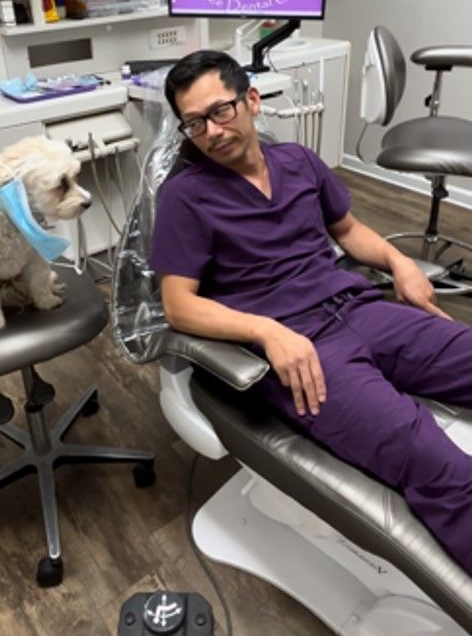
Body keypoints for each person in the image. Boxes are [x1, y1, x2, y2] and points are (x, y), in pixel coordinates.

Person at [149, 49, 472, 576]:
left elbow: (345, 230)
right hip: (299, 348)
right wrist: (266, 330)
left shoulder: (299, 161)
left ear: (251, 101)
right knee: (426, 454)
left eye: (221, 111)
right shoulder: (185, 199)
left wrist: (399, 263)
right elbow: (178, 305)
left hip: (359, 307)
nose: (210, 130)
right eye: (194, 123)